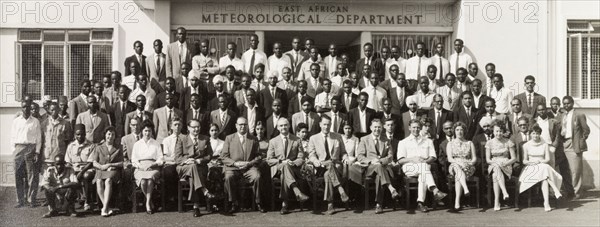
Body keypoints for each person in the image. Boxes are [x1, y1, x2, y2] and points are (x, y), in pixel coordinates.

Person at [397, 119, 447, 213]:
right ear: (409, 128)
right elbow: (400, 160)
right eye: (414, 127)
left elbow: (433, 157)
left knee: (423, 174)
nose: (416, 129)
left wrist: (425, 161)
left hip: (425, 167)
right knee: (424, 168)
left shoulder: (428, 141)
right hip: (409, 167)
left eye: (418, 127)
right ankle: (435, 190)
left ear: (420, 128)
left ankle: (420, 202)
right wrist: (413, 159)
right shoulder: (403, 142)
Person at [355, 119, 401, 214]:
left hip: (382, 168)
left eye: (379, 127)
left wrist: (380, 161)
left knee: (379, 175)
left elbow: (390, 156)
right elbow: (360, 156)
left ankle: (379, 205)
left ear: (382, 128)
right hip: (370, 169)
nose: (377, 129)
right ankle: (391, 188)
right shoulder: (364, 139)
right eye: (375, 127)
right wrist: (372, 161)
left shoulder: (386, 140)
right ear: (371, 128)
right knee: (378, 167)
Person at [221, 117, 265, 213]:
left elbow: (259, 156)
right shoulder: (229, 138)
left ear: (248, 126)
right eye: (240, 124)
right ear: (236, 126)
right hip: (233, 167)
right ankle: (232, 203)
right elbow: (224, 156)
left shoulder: (253, 139)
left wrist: (249, 163)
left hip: (249, 167)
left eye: (245, 124)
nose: (242, 127)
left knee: (257, 176)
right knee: (228, 177)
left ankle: (258, 202)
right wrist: (235, 163)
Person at [266, 118, 310, 214]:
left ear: (289, 126)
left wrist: (293, 163)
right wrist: (282, 161)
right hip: (278, 169)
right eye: (281, 126)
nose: (283, 127)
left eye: (285, 125)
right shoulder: (273, 141)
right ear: (278, 128)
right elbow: (269, 159)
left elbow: (301, 158)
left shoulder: (296, 140)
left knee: (285, 173)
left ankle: (285, 204)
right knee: (284, 167)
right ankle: (297, 192)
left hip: (293, 169)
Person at [307, 115, 349, 215]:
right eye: (324, 124)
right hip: (320, 166)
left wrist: (345, 158)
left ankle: (330, 205)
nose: (326, 127)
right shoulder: (313, 138)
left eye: (328, 125)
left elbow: (343, 152)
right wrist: (315, 161)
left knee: (328, 174)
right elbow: (311, 154)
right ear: (320, 124)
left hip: (335, 166)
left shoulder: (337, 136)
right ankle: (340, 189)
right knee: (327, 168)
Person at [175, 119, 215, 217]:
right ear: (188, 128)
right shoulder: (182, 138)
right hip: (184, 167)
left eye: (198, 127)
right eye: (194, 127)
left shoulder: (205, 138)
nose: (196, 129)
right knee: (192, 166)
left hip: (200, 167)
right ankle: (204, 190)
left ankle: (196, 207)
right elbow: (177, 157)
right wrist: (187, 160)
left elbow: (209, 156)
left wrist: (199, 160)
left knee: (193, 173)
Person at [518, 125, 563, 212]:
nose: (535, 135)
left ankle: (546, 203)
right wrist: (532, 162)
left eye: (537, 133)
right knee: (545, 171)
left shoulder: (545, 144)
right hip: (531, 168)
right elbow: (524, 161)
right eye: (533, 133)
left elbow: (547, 159)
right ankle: (555, 190)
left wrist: (539, 162)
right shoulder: (526, 145)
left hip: (542, 165)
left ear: (540, 134)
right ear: (530, 134)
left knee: (544, 176)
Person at [11, 100, 42, 208]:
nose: (26, 109)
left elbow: (39, 138)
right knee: (18, 175)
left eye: (28, 107)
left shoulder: (35, 121)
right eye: (24, 107)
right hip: (19, 148)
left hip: (31, 148)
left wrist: (37, 152)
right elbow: (13, 136)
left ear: (30, 107)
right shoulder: (16, 121)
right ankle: (20, 200)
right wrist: (14, 150)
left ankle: (31, 199)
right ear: (21, 108)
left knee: (32, 175)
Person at [131, 120, 164, 214]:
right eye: (145, 131)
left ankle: (148, 204)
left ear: (152, 131)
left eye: (149, 131)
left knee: (149, 180)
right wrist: (140, 166)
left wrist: (153, 164)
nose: (147, 133)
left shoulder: (156, 143)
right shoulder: (137, 144)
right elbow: (134, 160)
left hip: (153, 167)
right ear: (141, 131)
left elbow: (160, 159)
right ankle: (150, 201)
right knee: (142, 181)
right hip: (140, 167)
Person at [560, 96, 590, 200]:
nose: (566, 105)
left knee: (575, 170)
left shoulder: (579, 114)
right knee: (565, 170)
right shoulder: (563, 115)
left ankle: (576, 193)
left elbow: (586, 130)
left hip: (574, 144)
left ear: (572, 103)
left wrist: (580, 141)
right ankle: (568, 191)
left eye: (568, 103)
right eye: (564, 103)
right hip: (564, 143)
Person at [90, 127, 123, 217]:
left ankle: (104, 208)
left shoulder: (119, 147)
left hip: (113, 171)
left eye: (113, 134)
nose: (110, 136)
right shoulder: (98, 147)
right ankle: (107, 207)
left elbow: (121, 163)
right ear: (105, 135)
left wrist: (111, 165)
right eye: (108, 134)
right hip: (101, 170)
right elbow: (94, 162)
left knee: (108, 180)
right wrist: (101, 166)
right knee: (98, 181)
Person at [485, 122, 517, 211]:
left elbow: (514, 158)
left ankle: (496, 201)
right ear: (493, 131)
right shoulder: (489, 143)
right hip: (494, 164)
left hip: (506, 164)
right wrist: (495, 163)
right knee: (496, 167)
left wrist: (506, 163)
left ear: (503, 132)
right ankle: (504, 191)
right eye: (496, 131)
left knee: (495, 175)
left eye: (500, 131)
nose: (498, 133)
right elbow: (488, 160)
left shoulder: (508, 142)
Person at [446, 122, 477, 211]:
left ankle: (457, 201)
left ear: (464, 131)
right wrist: (460, 163)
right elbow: (450, 159)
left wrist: (469, 163)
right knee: (456, 166)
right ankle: (465, 188)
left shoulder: (469, 143)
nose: (459, 132)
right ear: (454, 131)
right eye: (457, 130)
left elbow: (474, 158)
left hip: (468, 166)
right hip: (455, 164)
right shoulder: (450, 144)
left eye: (461, 130)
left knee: (457, 176)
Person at [65, 124, 95, 211]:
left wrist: (81, 172)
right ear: (75, 135)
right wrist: (72, 172)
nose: (80, 136)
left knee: (86, 176)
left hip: (87, 168)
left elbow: (90, 162)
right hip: (74, 169)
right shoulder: (71, 146)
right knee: (69, 179)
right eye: (78, 134)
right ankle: (70, 203)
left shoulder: (91, 145)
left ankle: (87, 202)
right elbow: (68, 162)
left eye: (82, 134)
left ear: (85, 134)